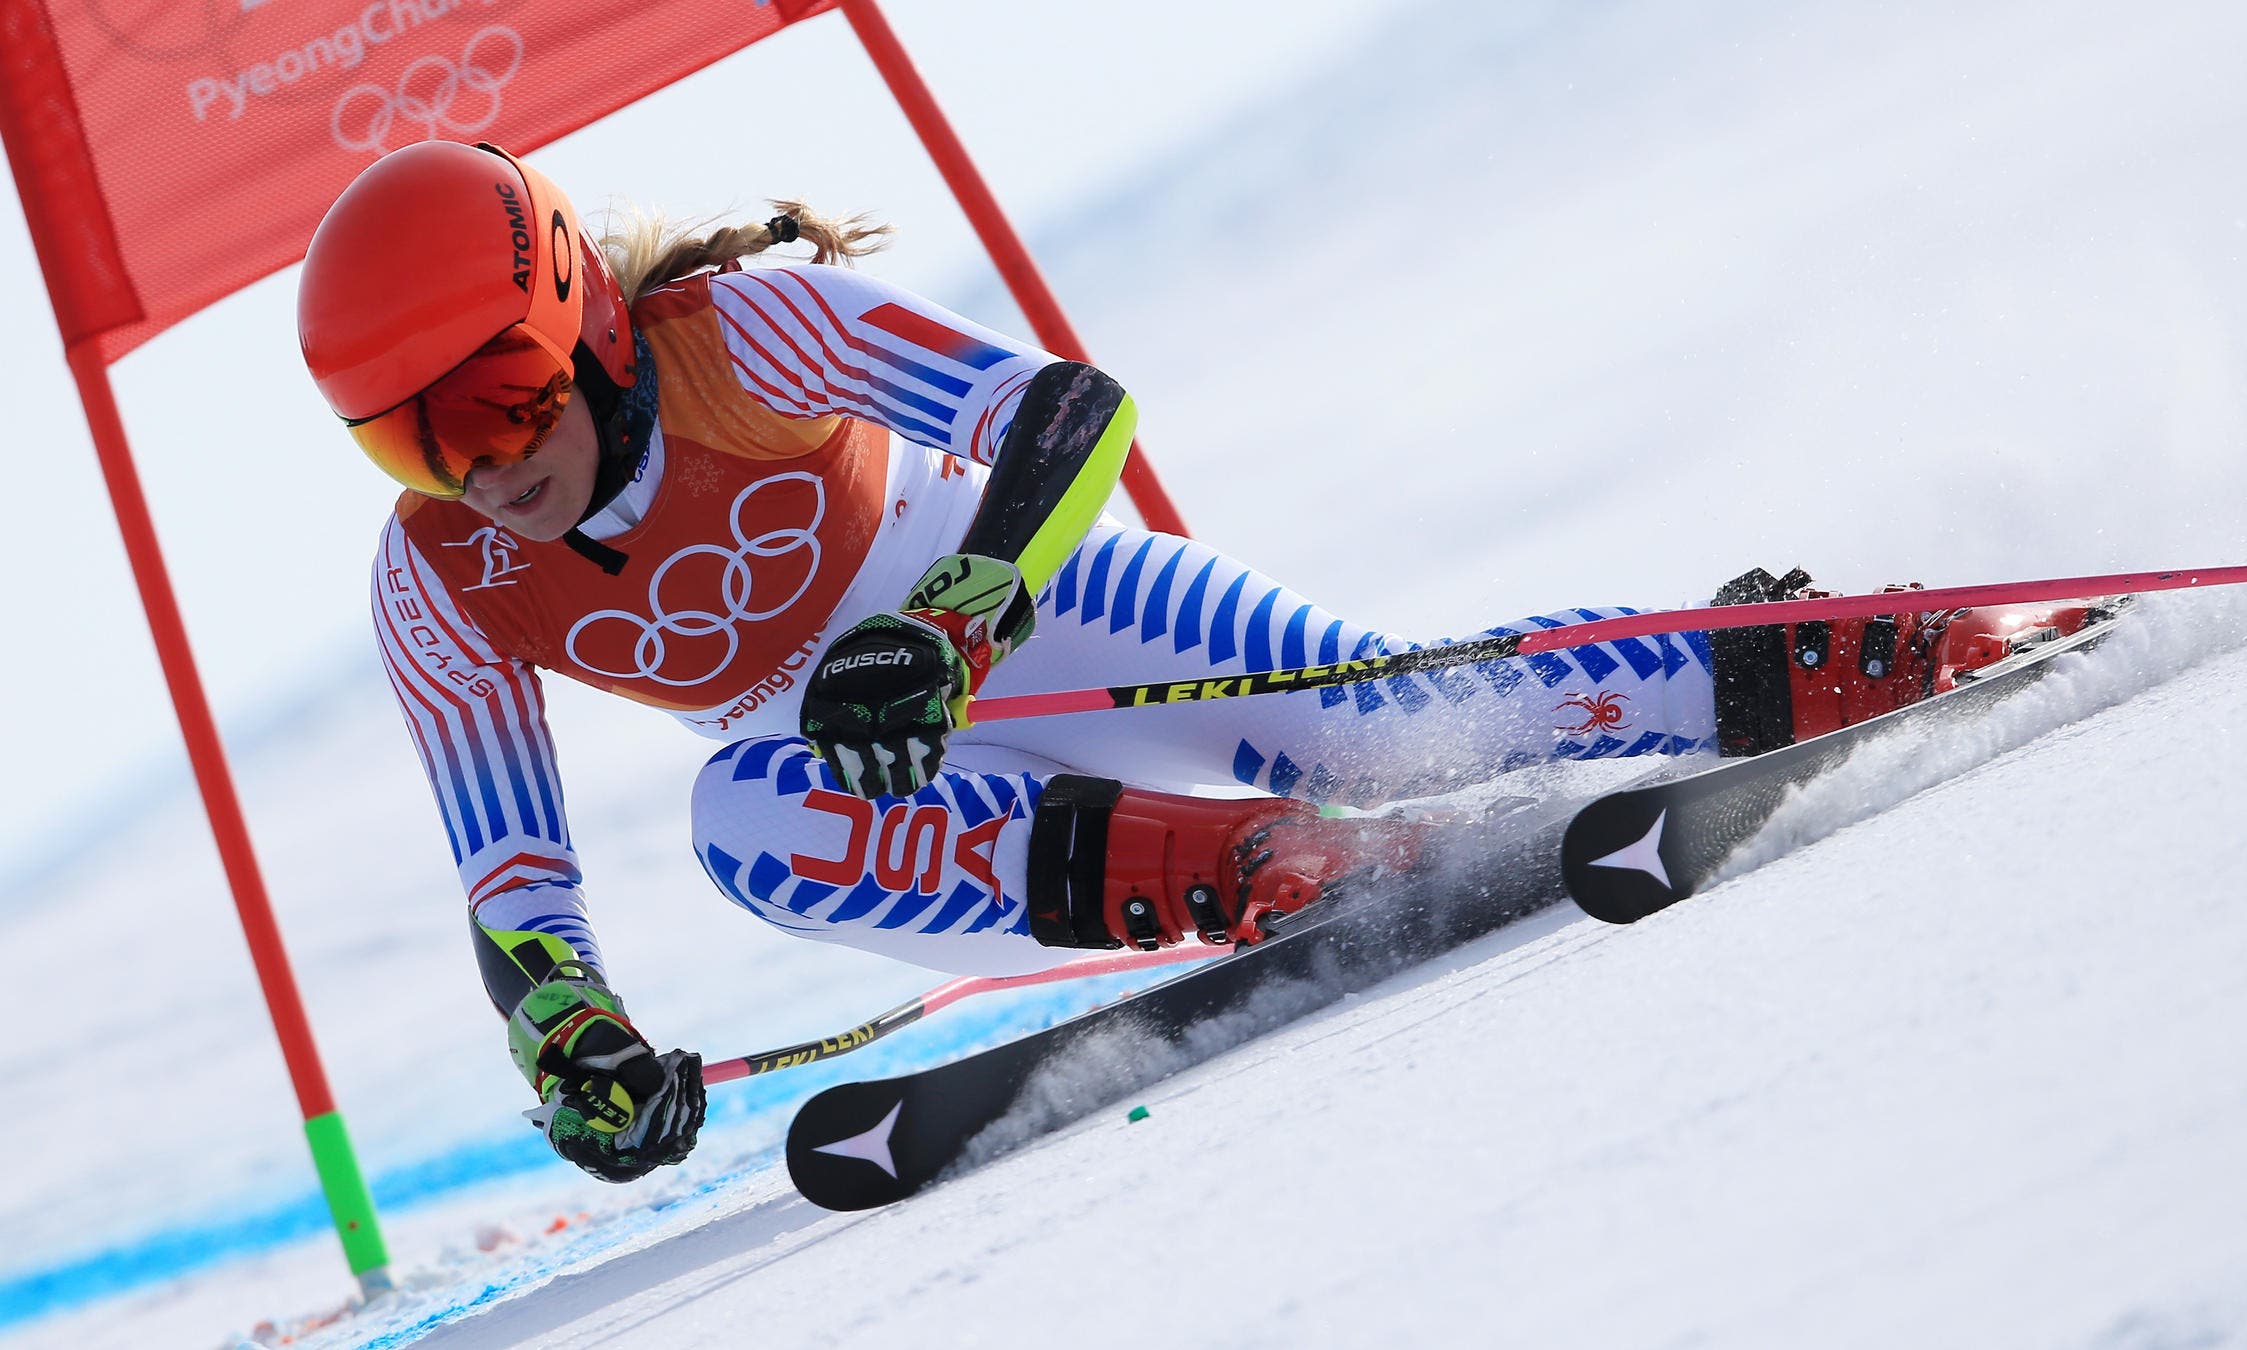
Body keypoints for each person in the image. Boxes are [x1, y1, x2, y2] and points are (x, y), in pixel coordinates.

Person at [298, 140, 2063, 1184]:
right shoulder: (442, 582)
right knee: (743, 810)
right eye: (411, 441)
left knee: (1398, 718)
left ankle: (1857, 649)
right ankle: (1268, 877)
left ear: (581, 322)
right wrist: (571, 1036)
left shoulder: (741, 336)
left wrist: (953, 613)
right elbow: (510, 865)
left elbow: (1065, 410)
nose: (480, 467)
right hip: (898, 780)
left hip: (1037, 618)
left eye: (498, 398)